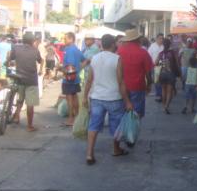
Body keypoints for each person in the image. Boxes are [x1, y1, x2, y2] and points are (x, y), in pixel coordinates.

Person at [83, 34, 133, 164]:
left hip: (97, 97)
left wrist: (84, 97)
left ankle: (89, 154)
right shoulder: (117, 59)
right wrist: (127, 101)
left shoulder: (94, 58)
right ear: (112, 44)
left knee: (93, 125)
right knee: (116, 126)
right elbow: (121, 82)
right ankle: (116, 149)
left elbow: (89, 80)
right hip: (114, 98)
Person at [9, 32, 43, 132]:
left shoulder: (16, 48)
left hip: (19, 78)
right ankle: (29, 126)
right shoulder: (35, 50)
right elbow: (41, 61)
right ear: (33, 41)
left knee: (20, 99)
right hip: (31, 80)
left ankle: (16, 116)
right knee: (30, 104)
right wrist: (41, 70)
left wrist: (6, 62)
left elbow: (10, 58)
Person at [117, 28, 154, 118]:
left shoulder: (119, 51)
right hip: (138, 87)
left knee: (123, 112)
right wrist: (149, 84)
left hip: (122, 86)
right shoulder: (143, 52)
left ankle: (124, 130)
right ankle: (133, 131)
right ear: (138, 40)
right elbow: (148, 72)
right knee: (136, 114)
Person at [61, 32, 85, 127]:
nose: (64, 40)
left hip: (68, 78)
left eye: (65, 39)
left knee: (69, 99)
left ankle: (71, 119)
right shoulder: (76, 49)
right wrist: (79, 69)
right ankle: (77, 118)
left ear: (71, 39)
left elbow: (70, 66)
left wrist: (62, 69)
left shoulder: (70, 50)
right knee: (75, 98)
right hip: (76, 79)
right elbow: (85, 60)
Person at [156, 38, 180, 114]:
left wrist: (162, 63)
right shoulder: (173, 53)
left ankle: (163, 106)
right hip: (171, 74)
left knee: (163, 90)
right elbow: (177, 63)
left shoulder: (160, 53)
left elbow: (155, 62)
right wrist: (179, 72)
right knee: (169, 91)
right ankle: (167, 106)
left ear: (163, 45)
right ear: (170, 44)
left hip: (162, 73)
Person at [147, 33, 164, 102]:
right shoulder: (152, 46)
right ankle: (159, 94)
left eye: (162, 38)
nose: (161, 40)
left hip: (163, 66)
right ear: (156, 38)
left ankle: (162, 94)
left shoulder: (164, 46)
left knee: (162, 80)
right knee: (156, 81)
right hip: (155, 66)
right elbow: (148, 56)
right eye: (160, 38)